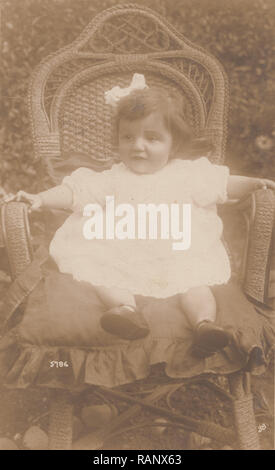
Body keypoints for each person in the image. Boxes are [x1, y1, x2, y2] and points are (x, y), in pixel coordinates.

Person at [7, 74, 275, 357]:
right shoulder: (111, 178)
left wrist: (255, 183)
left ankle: (204, 325)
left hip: (176, 253)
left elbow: (224, 183)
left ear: (173, 144)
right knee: (101, 273)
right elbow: (74, 192)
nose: (137, 146)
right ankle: (125, 311)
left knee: (194, 283)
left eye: (152, 138)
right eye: (128, 137)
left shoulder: (188, 173)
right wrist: (39, 199)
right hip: (122, 252)